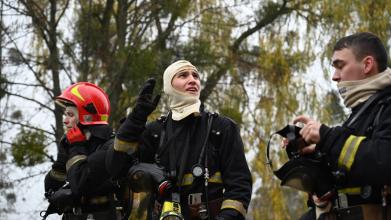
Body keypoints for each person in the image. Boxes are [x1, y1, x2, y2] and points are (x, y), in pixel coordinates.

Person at [106, 60, 252, 220]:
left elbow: (240, 186)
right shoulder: (154, 132)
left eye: (196, 76)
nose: (192, 80)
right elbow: (116, 169)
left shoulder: (221, 128)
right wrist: (136, 119)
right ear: (169, 85)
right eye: (183, 75)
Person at [294, 32, 391, 219]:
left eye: (340, 66)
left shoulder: (386, 106)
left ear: (367, 64)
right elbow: (349, 176)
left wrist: (327, 137)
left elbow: (384, 160)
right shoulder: (361, 114)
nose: (334, 77)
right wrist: (314, 155)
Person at [44, 82, 122, 220]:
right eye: (65, 115)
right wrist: (61, 161)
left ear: (87, 117)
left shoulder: (110, 146)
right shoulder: (72, 144)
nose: (65, 121)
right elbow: (51, 187)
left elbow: (81, 184)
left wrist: (76, 147)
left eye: (70, 115)